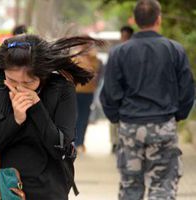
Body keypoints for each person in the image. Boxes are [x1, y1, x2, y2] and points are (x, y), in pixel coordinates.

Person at [0, 34, 102, 199]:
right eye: (12, 80)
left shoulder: (61, 88)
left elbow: (61, 148)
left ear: (43, 75)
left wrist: (36, 108)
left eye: (28, 83)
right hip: (1, 189)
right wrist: (15, 121)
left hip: (49, 189)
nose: (19, 88)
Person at [100, 0, 194, 199]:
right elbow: (187, 90)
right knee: (162, 184)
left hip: (130, 125)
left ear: (134, 20)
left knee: (130, 185)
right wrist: (177, 116)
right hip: (163, 123)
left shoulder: (119, 52)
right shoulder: (174, 50)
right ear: (158, 19)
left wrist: (118, 118)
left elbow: (109, 93)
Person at [110, 25, 135, 153]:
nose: (123, 39)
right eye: (122, 36)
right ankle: (115, 143)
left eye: (126, 37)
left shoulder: (135, 52)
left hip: (129, 95)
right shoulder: (115, 52)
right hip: (118, 94)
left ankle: (122, 143)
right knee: (114, 122)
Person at [74, 44, 102, 152]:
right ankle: (77, 142)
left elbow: (96, 71)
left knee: (83, 117)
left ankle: (80, 142)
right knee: (78, 117)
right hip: (77, 91)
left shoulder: (93, 58)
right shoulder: (75, 57)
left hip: (87, 92)